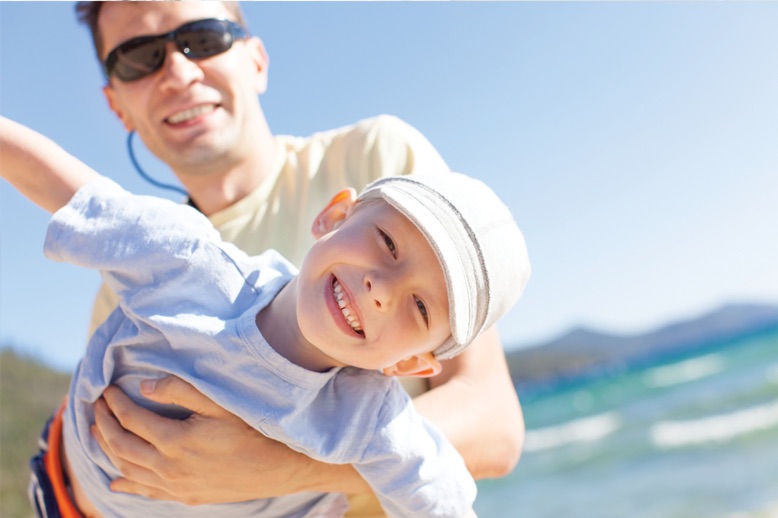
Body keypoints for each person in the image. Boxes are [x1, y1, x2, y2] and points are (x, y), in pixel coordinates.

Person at [62, 1, 527, 515]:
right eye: (139, 56)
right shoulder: (126, 282)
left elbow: (495, 425)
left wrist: (282, 466)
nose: (178, 70)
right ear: (117, 104)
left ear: (256, 60)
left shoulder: (377, 164)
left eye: (205, 38)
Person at [2, 116, 530, 517]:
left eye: (419, 307)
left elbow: (441, 494)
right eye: (387, 242)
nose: (380, 288)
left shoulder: (372, 420)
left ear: (412, 363)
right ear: (335, 215)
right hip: (65, 491)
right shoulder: (190, 261)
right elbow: (70, 190)